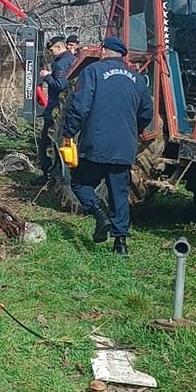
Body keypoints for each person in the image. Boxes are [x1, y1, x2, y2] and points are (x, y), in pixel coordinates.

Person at [61, 37, 153, 256]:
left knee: (81, 184)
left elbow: (80, 106)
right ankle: (120, 243)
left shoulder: (93, 72)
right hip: (124, 148)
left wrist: (68, 132)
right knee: (119, 194)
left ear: (103, 52)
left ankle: (99, 215)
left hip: (96, 144)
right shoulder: (138, 79)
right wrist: (131, 131)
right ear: (122, 55)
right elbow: (146, 114)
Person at [34, 35, 80, 183]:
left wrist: (47, 76)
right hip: (64, 105)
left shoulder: (61, 63)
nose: (50, 53)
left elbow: (60, 85)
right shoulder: (73, 59)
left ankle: (47, 174)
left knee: (46, 142)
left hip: (56, 107)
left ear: (60, 47)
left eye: (52, 50)